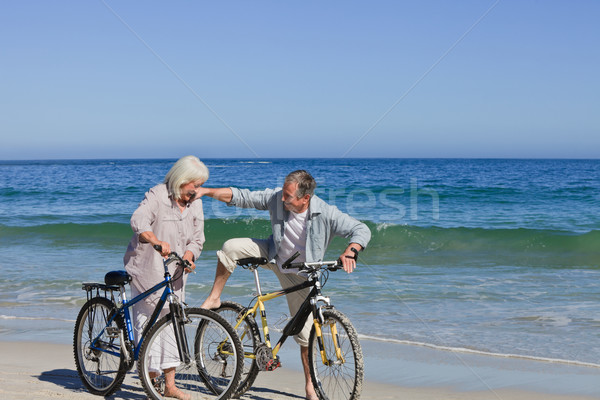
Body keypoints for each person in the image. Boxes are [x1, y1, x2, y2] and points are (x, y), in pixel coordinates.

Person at [197, 170, 371, 400]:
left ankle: (310, 385)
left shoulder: (326, 213)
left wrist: (351, 251)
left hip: (302, 275)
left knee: (306, 333)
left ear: (305, 198)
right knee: (230, 247)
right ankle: (215, 297)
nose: (282, 199)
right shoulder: (276, 198)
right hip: (273, 257)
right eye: (283, 193)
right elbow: (241, 196)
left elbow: (361, 229)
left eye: (288, 196)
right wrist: (205, 191)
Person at [124, 155, 208, 400]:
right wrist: (156, 241)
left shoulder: (195, 203)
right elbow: (138, 220)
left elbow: (197, 237)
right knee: (147, 320)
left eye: (199, 187)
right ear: (181, 180)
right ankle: (151, 382)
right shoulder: (158, 194)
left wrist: (190, 255)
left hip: (176, 271)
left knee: (172, 323)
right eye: (194, 187)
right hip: (148, 267)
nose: (196, 193)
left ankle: (170, 385)